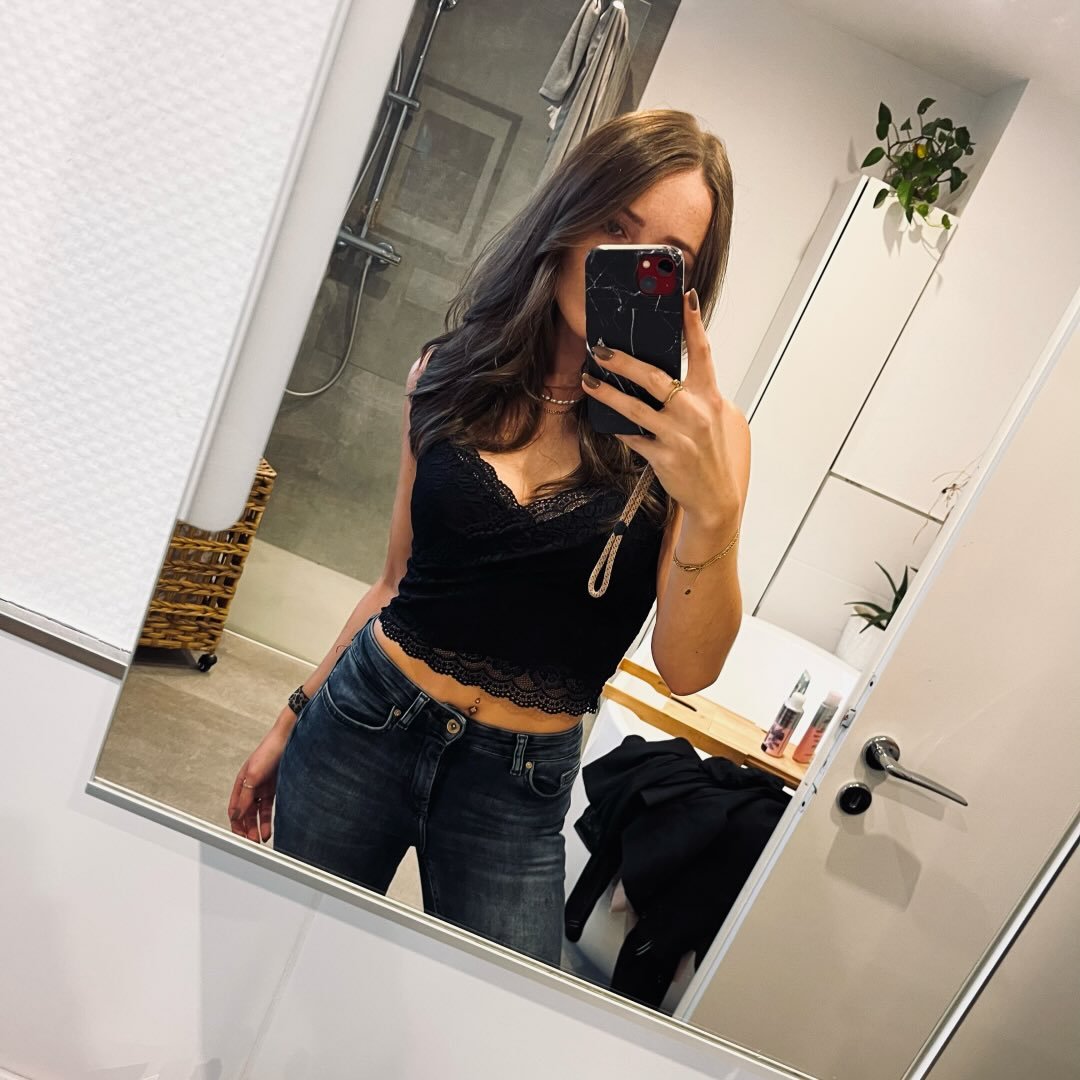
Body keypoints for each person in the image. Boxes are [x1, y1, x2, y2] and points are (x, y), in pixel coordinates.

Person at [227, 108, 751, 966]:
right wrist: (293, 716)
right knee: (285, 960)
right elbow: (395, 583)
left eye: (660, 256)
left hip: (518, 789)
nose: (621, 264)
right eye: (613, 225)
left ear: (685, 289)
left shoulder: (704, 443)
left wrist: (715, 510)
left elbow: (689, 669)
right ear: (569, 215)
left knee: (496, 1016)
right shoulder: (449, 372)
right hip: (362, 721)